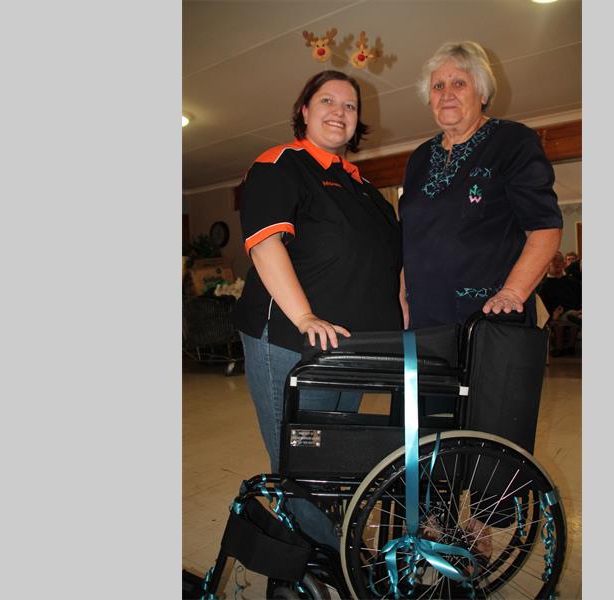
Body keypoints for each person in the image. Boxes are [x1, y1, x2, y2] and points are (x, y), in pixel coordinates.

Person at [230, 70, 403, 546]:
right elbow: (265, 244)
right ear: (304, 111)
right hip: (293, 343)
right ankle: (326, 564)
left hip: (350, 350)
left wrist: (400, 316)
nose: (339, 112)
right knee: (301, 466)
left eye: (350, 106)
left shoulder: (365, 189)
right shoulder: (280, 164)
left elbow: (390, 263)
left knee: (335, 459)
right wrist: (305, 316)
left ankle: (325, 555)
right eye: (327, 101)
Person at [399, 40, 563, 331]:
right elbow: (409, 237)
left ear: (483, 93)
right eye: (438, 86)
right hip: (423, 318)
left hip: (489, 317)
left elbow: (545, 226)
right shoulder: (419, 158)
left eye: (459, 83)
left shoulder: (512, 141)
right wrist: (402, 293)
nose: (446, 94)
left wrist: (513, 293)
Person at [538, 251, 582, 356]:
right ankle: (559, 347)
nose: (557, 263)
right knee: (566, 316)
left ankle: (571, 346)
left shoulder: (573, 282)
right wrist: (552, 315)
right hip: (554, 314)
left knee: (574, 313)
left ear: (564, 264)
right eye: (554, 260)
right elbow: (541, 306)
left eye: (559, 260)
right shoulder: (543, 285)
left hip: (574, 311)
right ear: (548, 264)